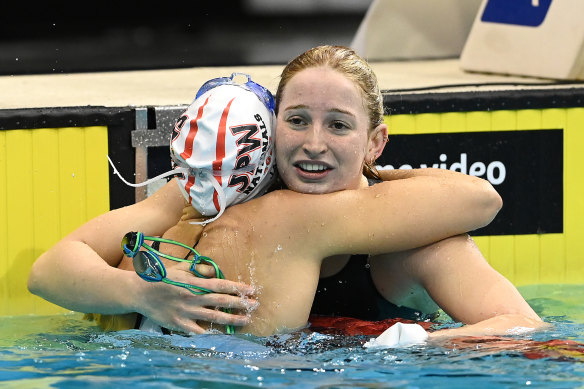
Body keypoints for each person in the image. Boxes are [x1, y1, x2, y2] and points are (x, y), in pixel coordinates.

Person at [28, 45, 543, 338]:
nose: (313, 145)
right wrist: (145, 295)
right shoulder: (224, 197)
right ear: (271, 131)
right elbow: (50, 271)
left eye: (339, 127)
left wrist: (413, 345)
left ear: (375, 142)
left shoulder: (412, 240)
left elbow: (523, 327)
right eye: (297, 121)